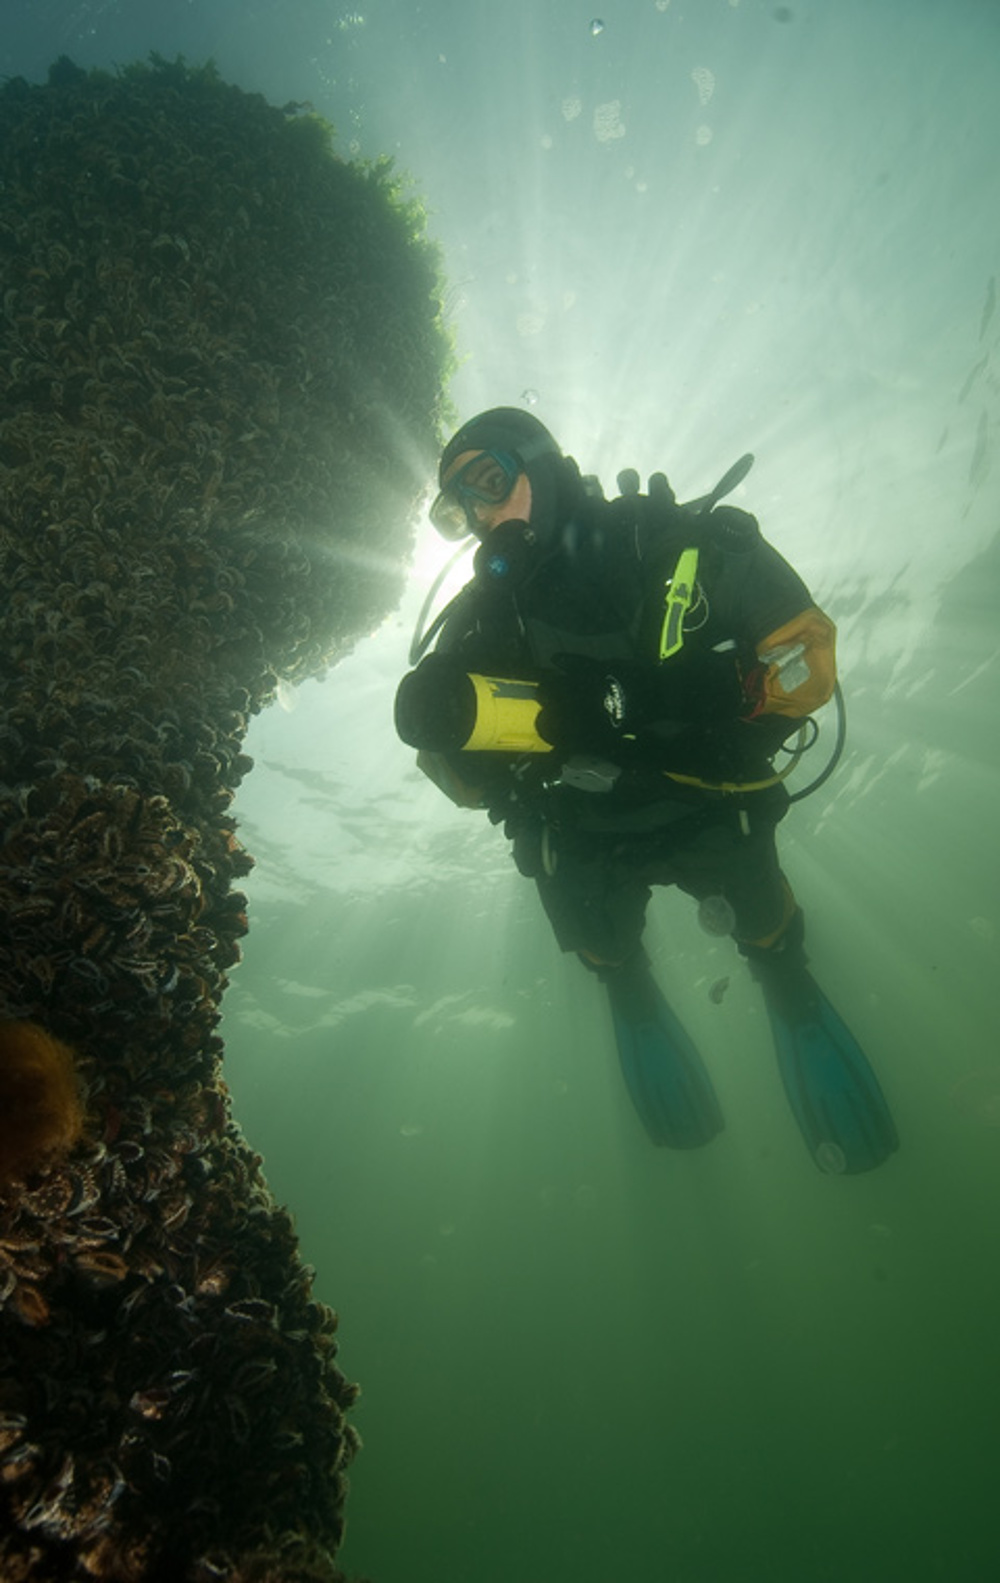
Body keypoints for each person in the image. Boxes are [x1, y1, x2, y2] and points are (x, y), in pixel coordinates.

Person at [394, 408, 898, 1173]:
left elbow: (810, 663)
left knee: (770, 939)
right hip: (581, 839)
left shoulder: (667, 542)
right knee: (609, 959)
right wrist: (463, 747)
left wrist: (643, 699)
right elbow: (458, 782)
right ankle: (630, 993)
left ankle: (786, 985)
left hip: (709, 804)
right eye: (457, 507)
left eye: (489, 481)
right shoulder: (483, 619)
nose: (481, 514)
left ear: (541, 463)